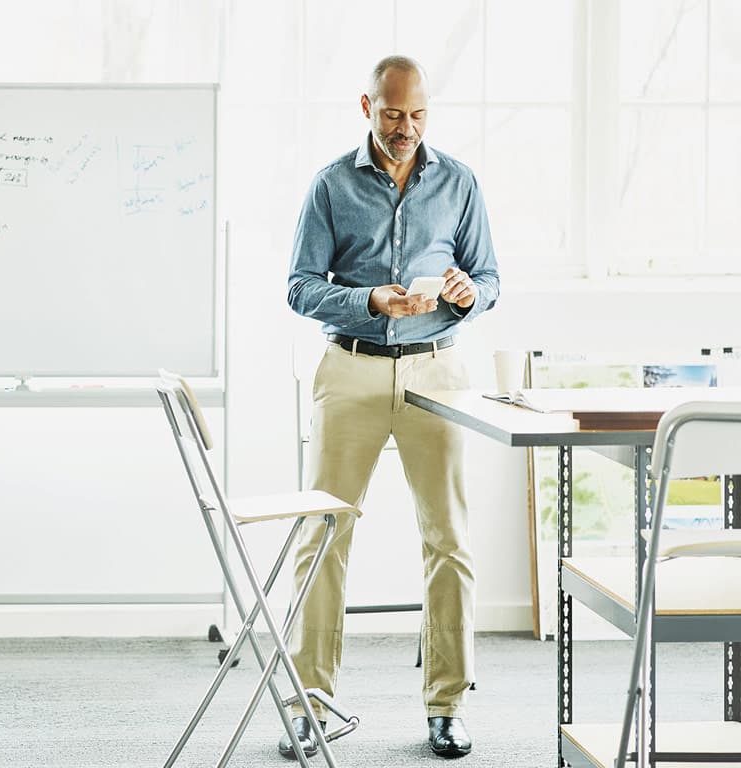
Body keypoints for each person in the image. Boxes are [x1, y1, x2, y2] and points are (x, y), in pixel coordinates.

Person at [282, 55, 499, 760]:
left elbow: (489, 276)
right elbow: (300, 287)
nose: (406, 129)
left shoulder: (459, 181)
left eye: (418, 116)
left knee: (449, 542)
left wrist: (470, 293)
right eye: (393, 114)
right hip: (351, 369)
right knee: (322, 539)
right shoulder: (331, 184)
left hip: (437, 374)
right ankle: (312, 702)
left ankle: (446, 706)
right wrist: (370, 299)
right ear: (366, 107)